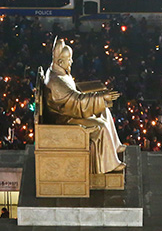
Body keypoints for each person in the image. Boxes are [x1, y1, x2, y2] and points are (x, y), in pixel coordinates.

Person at [44, 38, 126, 174]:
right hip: (65, 118)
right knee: (101, 126)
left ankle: (114, 146)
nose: (71, 62)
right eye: (69, 60)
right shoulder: (56, 81)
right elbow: (75, 102)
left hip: (71, 109)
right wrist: (100, 97)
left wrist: (98, 96)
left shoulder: (59, 71)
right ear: (60, 62)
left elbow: (74, 94)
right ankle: (109, 165)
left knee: (103, 110)